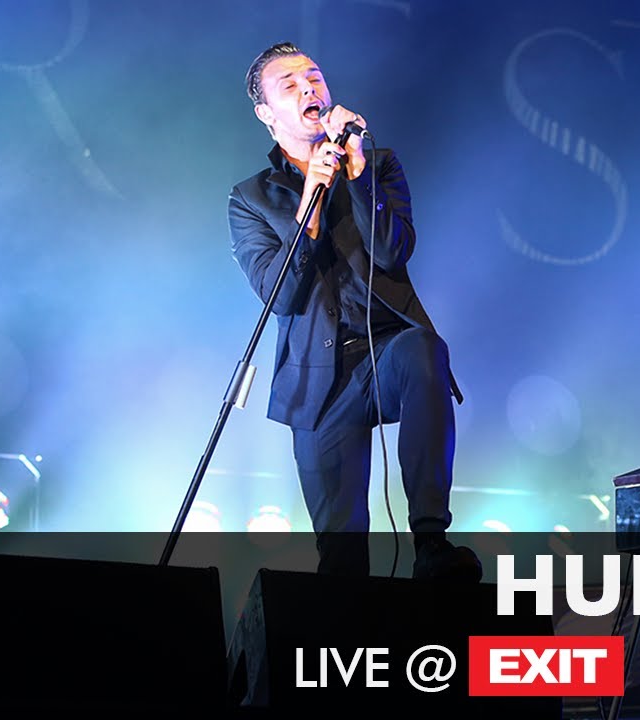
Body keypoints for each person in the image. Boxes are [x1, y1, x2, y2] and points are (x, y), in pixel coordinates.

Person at [227, 41, 479, 581]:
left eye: (314, 78)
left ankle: (431, 541)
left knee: (424, 349)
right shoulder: (251, 199)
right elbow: (279, 295)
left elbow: (392, 252)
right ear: (267, 114)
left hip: (388, 350)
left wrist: (358, 174)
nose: (309, 89)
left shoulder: (378, 164)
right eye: (290, 85)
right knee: (341, 559)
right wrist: (311, 198)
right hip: (317, 379)